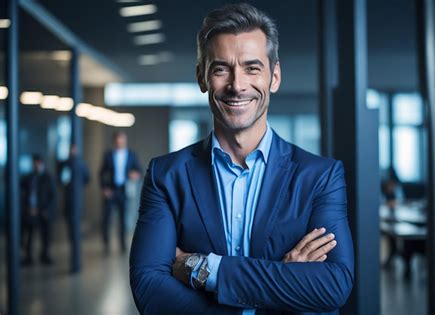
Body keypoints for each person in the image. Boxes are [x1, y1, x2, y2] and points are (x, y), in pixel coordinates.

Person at [130, 4, 353, 314]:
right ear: (202, 78)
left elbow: (333, 285)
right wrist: (283, 276)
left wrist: (203, 268)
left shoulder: (320, 177)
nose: (237, 85)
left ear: (274, 77)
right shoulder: (166, 175)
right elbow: (149, 286)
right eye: (222, 68)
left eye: (252, 68)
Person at [100, 131, 142, 254]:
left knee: (123, 219)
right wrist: (104, 188)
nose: (120, 143)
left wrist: (135, 174)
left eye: (122, 140)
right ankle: (106, 245)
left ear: (125, 141)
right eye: (118, 141)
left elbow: (139, 171)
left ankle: (122, 245)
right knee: (106, 219)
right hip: (110, 190)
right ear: (114, 141)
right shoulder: (108, 155)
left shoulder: (131, 155)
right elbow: (101, 173)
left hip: (124, 191)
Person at [58, 144, 90, 273]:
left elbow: (87, 178)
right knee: (73, 234)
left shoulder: (79, 164)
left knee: (75, 234)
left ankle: (75, 265)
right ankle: (75, 264)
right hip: (70, 203)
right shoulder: (67, 164)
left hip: (75, 204)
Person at [21, 154, 56, 265]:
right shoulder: (30, 176)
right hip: (31, 210)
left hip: (42, 210)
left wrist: (47, 210)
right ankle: (28, 257)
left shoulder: (47, 177)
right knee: (30, 235)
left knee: (45, 235)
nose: (35, 165)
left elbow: (52, 195)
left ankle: (44, 255)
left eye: (36, 163)